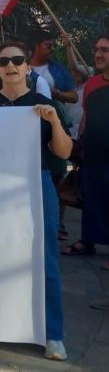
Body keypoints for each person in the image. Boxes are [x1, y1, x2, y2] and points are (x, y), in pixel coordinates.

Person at [0, 40, 71, 360]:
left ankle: (53, 334)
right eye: (4, 62)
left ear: (27, 67)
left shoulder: (45, 103)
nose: (10, 66)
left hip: (36, 182)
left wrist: (54, 121)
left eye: (17, 60)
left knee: (44, 257)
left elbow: (64, 152)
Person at [63, 34, 109, 264]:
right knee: (91, 197)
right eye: (96, 49)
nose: (98, 54)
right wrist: (80, 144)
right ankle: (87, 241)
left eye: (105, 50)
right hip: (92, 153)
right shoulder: (92, 83)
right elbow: (86, 117)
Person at [29, 29, 78, 106]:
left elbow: (74, 97)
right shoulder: (20, 68)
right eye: (48, 46)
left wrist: (57, 94)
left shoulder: (59, 68)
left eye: (53, 46)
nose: (53, 49)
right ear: (36, 46)